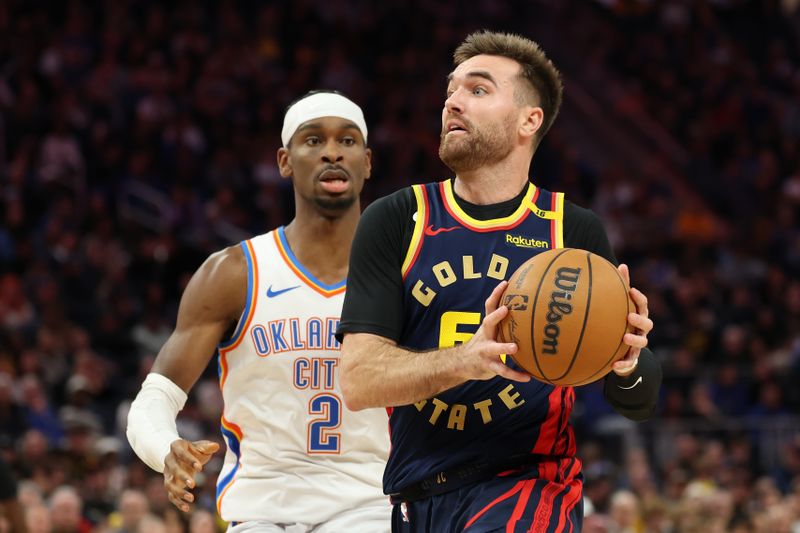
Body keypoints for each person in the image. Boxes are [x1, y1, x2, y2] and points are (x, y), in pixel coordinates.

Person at [338, 31, 662, 532]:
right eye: (451, 90)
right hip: (415, 498)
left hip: (530, 487)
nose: (453, 102)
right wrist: (468, 360)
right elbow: (359, 381)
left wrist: (627, 362)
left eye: (478, 89)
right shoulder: (397, 219)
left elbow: (637, 401)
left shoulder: (571, 231)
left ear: (529, 121)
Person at [126, 90, 391, 532]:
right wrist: (165, 447)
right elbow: (153, 400)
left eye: (347, 141)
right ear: (285, 161)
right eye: (313, 140)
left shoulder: (405, 274)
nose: (331, 152)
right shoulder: (234, 273)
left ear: (367, 161)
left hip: (369, 506)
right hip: (261, 511)